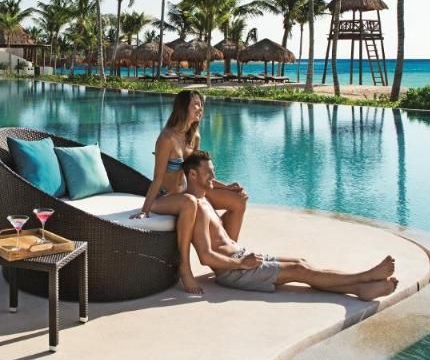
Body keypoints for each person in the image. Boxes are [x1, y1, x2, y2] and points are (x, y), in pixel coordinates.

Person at [182, 150, 398, 299]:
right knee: (299, 270)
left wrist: (228, 189)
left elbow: (222, 223)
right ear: (192, 175)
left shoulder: (205, 200)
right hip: (236, 271)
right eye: (208, 172)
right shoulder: (196, 207)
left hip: (243, 258)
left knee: (301, 262)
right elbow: (205, 256)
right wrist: (241, 264)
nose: (214, 175)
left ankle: (361, 288)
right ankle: (366, 276)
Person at [131, 90, 248, 294]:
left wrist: (227, 187)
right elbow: (158, 178)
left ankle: (228, 256)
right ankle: (185, 268)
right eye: (195, 105)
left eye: (201, 105)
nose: (200, 109)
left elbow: (199, 173)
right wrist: (145, 209)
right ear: (183, 107)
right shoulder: (166, 139)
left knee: (238, 200)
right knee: (190, 202)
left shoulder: (194, 137)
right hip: (165, 198)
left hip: (187, 192)